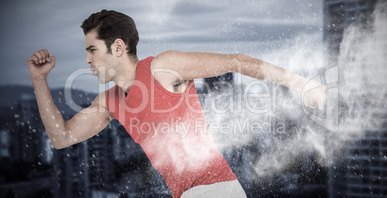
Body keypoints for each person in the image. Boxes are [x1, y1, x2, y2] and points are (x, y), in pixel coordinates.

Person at [27, 10, 326, 198]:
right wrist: (39, 81)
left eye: (92, 50)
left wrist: (302, 84)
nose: (87, 60)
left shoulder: (162, 67)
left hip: (216, 191)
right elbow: (61, 136)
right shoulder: (110, 102)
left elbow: (237, 61)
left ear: (117, 47)